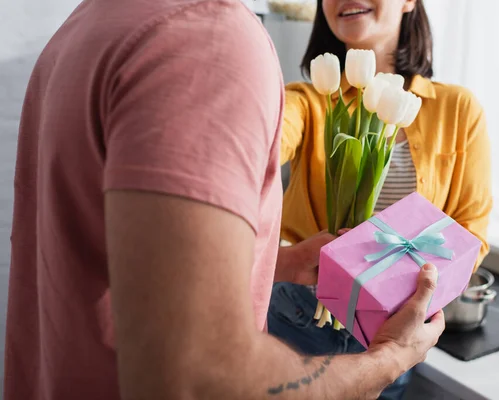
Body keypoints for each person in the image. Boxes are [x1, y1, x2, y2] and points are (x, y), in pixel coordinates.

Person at [4, 0, 445, 399]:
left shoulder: (91, 22)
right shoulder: (205, 41)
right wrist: (388, 359)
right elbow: (202, 378)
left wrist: (281, 263)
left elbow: (108, 252)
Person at [268, 0, 493, 398]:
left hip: (391, 328)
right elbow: (261, 145)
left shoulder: (457, 109)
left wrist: (422, 299)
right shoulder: (308, 100)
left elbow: (471, 230)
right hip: (298, 312)